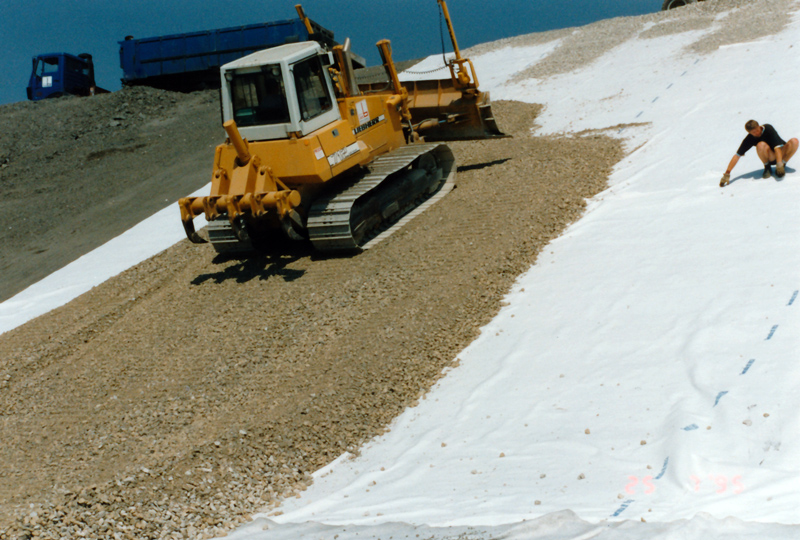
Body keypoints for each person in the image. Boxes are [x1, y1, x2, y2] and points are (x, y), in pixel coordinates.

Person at [720, 120, 798, 186]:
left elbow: (777, 148)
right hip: (771, 157)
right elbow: (737, 155)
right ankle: (767, 168)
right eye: (753, 132)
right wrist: (727, 173)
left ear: (759, 126)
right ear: (749, 133)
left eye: (757, 130)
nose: (757, 133)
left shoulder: (768, 129)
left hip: (781, 154)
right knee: (760, 145)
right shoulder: (749, 139)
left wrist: (780, 164)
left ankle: (782, 166)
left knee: (794, 141)